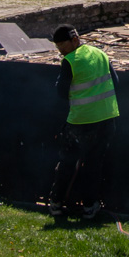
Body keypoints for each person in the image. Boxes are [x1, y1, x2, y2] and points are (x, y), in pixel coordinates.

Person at [49, 25, 119, 219]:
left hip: (80, 121)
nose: (61, 52)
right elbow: (116, 82)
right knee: (93, 165)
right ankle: (89, 207)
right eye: (58, 48)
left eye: (63, 47)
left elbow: (61, 92)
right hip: (106, 118)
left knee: (67, 163)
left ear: (75, 40)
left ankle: (56, 204)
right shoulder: (100, 54)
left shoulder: (70, 61)